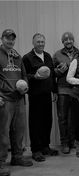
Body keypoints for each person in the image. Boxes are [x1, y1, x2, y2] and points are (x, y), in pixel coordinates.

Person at [0, 29, 33, 176]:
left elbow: (24, 75)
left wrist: (25, 87)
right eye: (7, 38)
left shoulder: (17, 55)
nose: (10, 41)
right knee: (3, 133)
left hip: (19, 98)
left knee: (19, 131)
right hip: (4, 99)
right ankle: (0, 163)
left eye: (12, 39)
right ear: (2, 39)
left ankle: (17, 157)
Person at [22, 33, 58, 162]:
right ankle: (36, 150)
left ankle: (45, 146)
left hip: (47, 94)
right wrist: (35, 77)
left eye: (42, 41)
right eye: (38, 42)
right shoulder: (27, 58)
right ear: (33, 43)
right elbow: (24, 76)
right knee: (35, 122)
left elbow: (52, 74)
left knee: (47, 121)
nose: (41, 44)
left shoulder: (47, 56)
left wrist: (54, 91)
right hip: (35, 95)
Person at [53, 32, 79, 154]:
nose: (68, 41)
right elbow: (52, 73)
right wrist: (58, 71)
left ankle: (72, 141)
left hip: (75, 89)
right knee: (62, 117)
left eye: (70, 39)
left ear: (73, 41)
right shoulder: (57, 54)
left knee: (74, 117)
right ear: (62, 42)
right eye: (65, 40)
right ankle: (64, 142)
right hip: (62, 89)